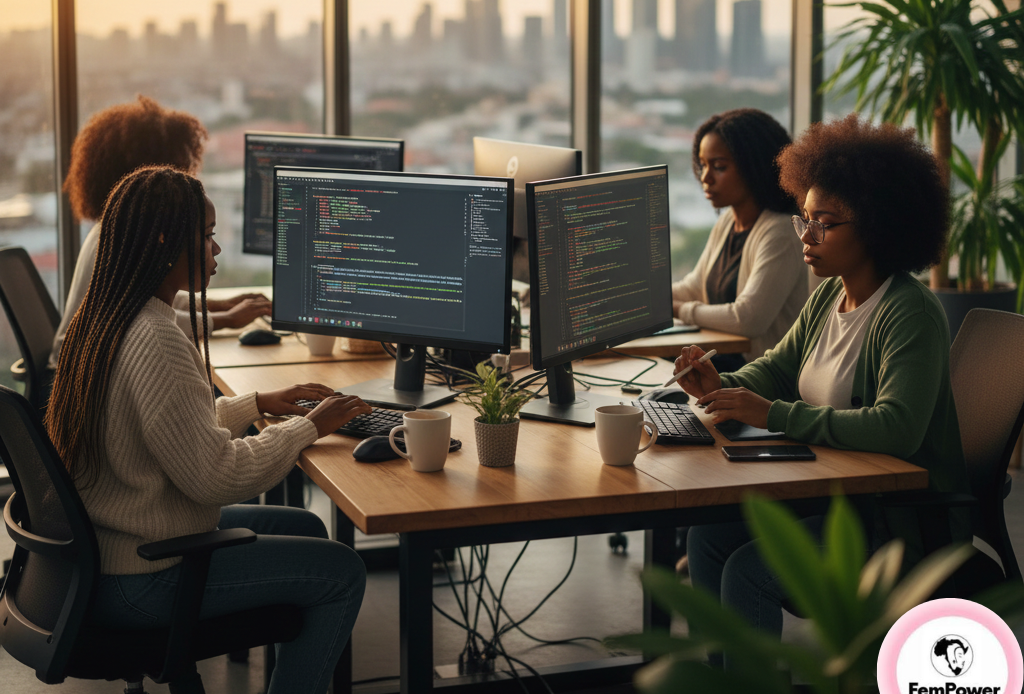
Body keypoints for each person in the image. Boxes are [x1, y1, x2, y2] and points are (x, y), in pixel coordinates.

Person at [45, 166, 371, 694]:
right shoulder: (156, 337)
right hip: (141, 575)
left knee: (308, 529)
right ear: (163, 241)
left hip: (103, 554)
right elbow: (215, 477)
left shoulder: (106, 315)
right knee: (342, 572)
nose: (217, 250)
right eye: (207, 235)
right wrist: (305, 429)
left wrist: (256, 404)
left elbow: (162, 431)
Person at [673, 114, 969, 668]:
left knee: (746, 572)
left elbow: (896, 427)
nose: (807, 236)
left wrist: (776, 415)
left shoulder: (909, 313)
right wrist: (723, 382)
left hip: (894, 519)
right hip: (834, 497)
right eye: (804, 221)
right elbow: (777, 370)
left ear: (877, 225)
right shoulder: (829, 297)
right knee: (707, 535)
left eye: (824, 224)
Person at [48, 95, 271, 371]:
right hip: (76, 373)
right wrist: (225, 319)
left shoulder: (116, 229)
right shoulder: (118, 239)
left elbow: (153, 294)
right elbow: (144, 318)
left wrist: (220, 306)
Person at [672, 108, 809, 371]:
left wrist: (680, 310)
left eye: (719, 167)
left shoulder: (781, 232)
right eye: (702, 165)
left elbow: (747, 318)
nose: (705, 178)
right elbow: (695, 287)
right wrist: (644, 300)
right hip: (727, 365)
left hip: (762, 381)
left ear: (754, 167)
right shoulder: (728, 221)